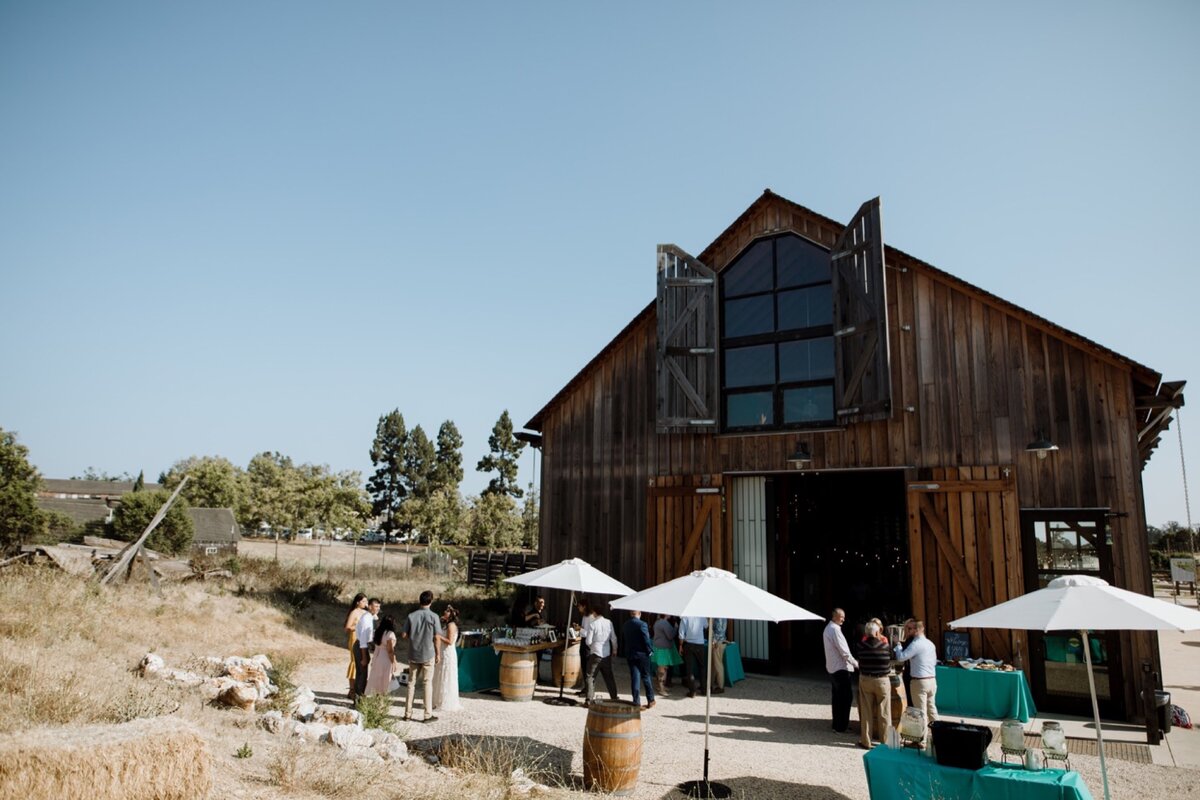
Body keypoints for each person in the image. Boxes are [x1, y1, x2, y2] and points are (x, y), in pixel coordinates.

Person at [401, 590, 443, 722]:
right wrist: (437, 653)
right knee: (427, 684)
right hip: (428, 653)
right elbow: (437, 637)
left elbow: (403, 635)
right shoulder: (434, 617)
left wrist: (413, 638)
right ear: (431, 601)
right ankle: (427, 714)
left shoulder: (411, 615)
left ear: (420, 601)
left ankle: (407, 714)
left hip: (413, 653)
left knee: (411, 684)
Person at [893, 619, 938, 732]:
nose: (908, 631)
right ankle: (939, 735)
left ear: (916, 630)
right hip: (932, 679)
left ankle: (921, 741)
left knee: (920, 712)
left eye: (910, 629)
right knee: (932, 710)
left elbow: (901, 657)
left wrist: (898, 645)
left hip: (920, 681)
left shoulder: (916, 644)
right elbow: (934, 662)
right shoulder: (930, 644)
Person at [855, 620, 892, 750]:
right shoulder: (885, 646)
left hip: (866, 678)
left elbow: (859, 660)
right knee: (885, 712)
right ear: (877, 632)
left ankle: (866, 741)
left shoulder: (860, 646)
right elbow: (889, 661)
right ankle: (885, 741)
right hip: (882, 680)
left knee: (866, 711)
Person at [823, 608, 858, 733]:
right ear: (834, 616)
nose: (843, 619)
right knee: (845, 697)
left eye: (843, 616)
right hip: (840, 668)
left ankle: (837, 724)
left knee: (837, 697)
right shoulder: (835, 630)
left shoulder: (828, 628)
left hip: (832, 668)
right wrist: (856, 664)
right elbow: (845, 652)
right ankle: (841, 726)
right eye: (841, 616)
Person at [582, 602, 619, 705]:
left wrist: (592, 647)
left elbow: (588, 641)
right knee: (609, 677)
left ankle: (589, 699)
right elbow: (614, 638)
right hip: (606, 653)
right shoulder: (609, 622)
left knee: (590, 676)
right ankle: (614, 697)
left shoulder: (593, 624)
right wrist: (614, 650)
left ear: (594, 612)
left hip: (595, 653)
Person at [621, 610, 656, 709]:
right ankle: (651, 699)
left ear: (630, 614)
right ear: (639, 614)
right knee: (646, 676)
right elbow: (646, 639)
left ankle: (636, 702)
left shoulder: (626, 624)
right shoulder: (642, 624)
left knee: (635, 677)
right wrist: (650, 650)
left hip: (630, 654)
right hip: (642, 654)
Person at [433, 605, 463, 712]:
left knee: (446, 675)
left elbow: (450, 641)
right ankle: (438, 699)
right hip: (443, 651)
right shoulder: (447, 624)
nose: (444, 612)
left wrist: (439, 636)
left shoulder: (451, 625)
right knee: (440, 674)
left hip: (448, 653)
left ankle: (445, 701)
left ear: (450, 614)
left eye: (446, 611)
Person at [354, 597, 382, 699]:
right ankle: (359, 699)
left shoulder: (371, 616)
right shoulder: (366, 618)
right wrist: (364, 657)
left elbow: (376, 619)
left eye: (379, 606)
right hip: (361, 646)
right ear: (370, 606)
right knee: (362, 674)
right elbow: (363, 640)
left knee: (362, 673)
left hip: (364, 646)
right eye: (376, 606)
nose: (378, 608)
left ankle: (359, 697)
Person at [365, 616, 397, 696]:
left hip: (377, 656)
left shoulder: (378, 632)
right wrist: (394, 662)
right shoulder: (390, 634)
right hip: (385, 657)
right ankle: (382, 700)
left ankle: (375, 697)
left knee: (377, 678)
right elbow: (390, 651)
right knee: (385, 679)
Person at [677, 615, 708, 698]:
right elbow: (706, 626)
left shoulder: (685, 617)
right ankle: (704, 689)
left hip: (688, 644)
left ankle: (692, 691)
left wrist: (680, 645)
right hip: (700, 644)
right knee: (702, 667)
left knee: (689, 669)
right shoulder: (701, 615)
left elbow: (681, 633)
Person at [344, 593, 368, 698]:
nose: (365, 603)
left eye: (366, 601)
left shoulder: (366, 613)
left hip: (363, 640)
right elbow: (347, 627)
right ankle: (352, 689)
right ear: (358, 602)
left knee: (363, 663)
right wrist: (358, 626)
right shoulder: (354, 612)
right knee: (355, 662)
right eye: (363, 601)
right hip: (354, 638)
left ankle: (360, 689)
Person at [651, 613, 681, 696]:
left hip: (658, 647)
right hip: (664, 648)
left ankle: (659, 686)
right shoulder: (665, 623)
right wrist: (675, 628)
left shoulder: (657, 622)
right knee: (663, 669)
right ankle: (661, 688)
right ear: (665, 614)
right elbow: (670, 636)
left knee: (661, 667)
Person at [709, 617, 728, 694]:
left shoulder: (717, 617)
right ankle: (710, 683)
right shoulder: (723, 616)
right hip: (721, 641)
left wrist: (714, 641)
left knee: (718, 664)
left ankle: (720, 686)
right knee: (714, 664)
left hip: (717, 642)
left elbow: (718, 631)